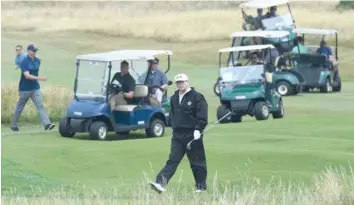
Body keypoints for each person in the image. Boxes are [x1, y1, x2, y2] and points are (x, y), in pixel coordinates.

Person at [150, 73, 208, 193]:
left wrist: (198, 129)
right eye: (178, 83)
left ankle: (201, 187)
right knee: (173, 160)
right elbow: (173, 115)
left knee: (196, 161)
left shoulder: (197, 97)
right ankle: (161, 183)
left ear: (187, 82)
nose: (180, 84)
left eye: (182, 82)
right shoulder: (174, 97)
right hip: (177, 135)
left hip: (192, 134)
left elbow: (202, 116)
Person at [11, 44, 55, 132]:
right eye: (33, 51)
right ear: (28, 51)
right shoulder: (24, 62)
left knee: (40, 106)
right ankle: (14, 125)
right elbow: (27, 76)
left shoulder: (38, 61)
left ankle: (47, 124)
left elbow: (35, 71)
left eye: (35, 51)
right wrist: (40, 78)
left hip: (35, 88)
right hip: (25, 89)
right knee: (20, 107)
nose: (35, 52)